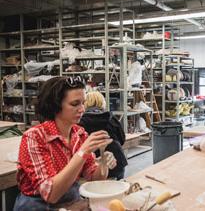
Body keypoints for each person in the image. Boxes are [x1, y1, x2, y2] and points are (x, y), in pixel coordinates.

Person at [14, 77, 117, 210]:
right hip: (37, 205)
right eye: (75, 104)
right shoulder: (35, 137)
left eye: (83, 103)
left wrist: (103, 162)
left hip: (70, 201)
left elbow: (93, 177)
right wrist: (82, 153)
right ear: (55, 106)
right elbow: (51, 194)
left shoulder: (79, 134)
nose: (82, 109)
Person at [79, 91, 128, 180]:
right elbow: (122, 139)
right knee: (117, 189)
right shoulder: (110, 118)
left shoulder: (79, 122)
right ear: (102, 102)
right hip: (115, 161)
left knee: (94, 191)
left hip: (89, 165)